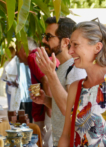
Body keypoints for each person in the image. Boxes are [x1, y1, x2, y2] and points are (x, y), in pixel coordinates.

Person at [58, 21, 106, 146]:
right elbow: (66, 136)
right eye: (70, 45)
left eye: (75, 44)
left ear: (97, 47)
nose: (70, 51)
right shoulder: (75, 87)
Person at [30, 17, 87, 147]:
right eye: (44, 36)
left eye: (48, 37)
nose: (44, 40)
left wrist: (50, 75)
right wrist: (45, 100)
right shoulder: (62, 67)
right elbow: (61, 104)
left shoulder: (75, 69)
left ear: (66, 42)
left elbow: (69, 109)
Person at [16, 38, 59, 144]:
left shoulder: (33, 57)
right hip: (48, 106)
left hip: (45, 110)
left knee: (43, 141)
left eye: (18, 49)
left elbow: (46, 81)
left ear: (24, 49)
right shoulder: (37, 56)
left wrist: (49, 109)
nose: (16, 53)